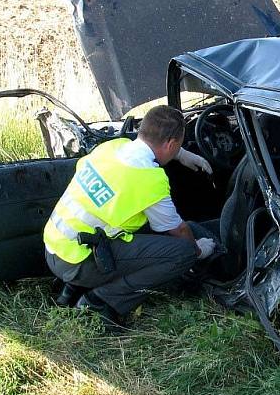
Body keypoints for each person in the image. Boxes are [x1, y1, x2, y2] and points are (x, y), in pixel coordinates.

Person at [43, 105, 217, 328]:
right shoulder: (149, 178)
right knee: (183, 252)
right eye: (178, 145)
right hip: (78, 262)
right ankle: (100, 301)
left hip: (55, 248)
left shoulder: (113, 147)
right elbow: (177, 230)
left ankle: (72, 289)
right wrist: (199, 250)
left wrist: (181, 154)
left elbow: (147, 142)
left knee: (138, 223)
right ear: (171, 143)